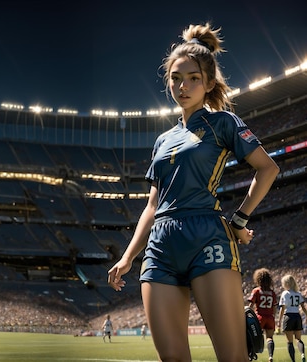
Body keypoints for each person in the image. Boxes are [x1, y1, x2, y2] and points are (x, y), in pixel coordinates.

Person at [107, 22, 280, 361]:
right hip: (160, 246)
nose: (182, 86)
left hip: (208, 237)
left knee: (233, 356)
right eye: (175, 78)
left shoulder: (224, 123)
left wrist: (240, 218)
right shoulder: (162, 140)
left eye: (193, 78)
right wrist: (128, 257)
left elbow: (268, 168)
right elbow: (152, 205)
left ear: (209, 83)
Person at [248, 268, 277, 362]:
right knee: (269, 338)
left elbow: (250, 305)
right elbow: (274, 307)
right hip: (270, 317)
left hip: (259, 317)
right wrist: (273, 316)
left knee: (252, 337)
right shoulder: (272, 293)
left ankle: (250, 355)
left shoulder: (256, 291)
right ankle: (271, 356)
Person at [277, 274, 307, 362]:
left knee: (290, 342)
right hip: (297, 316)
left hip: (288, 316)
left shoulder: (285, 293)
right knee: (298, 339)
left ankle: (293, 360)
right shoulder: (298, 293)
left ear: (286, 283)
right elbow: (303, 307)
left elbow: (282, 308)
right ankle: (302, 354)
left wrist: (279, 320)